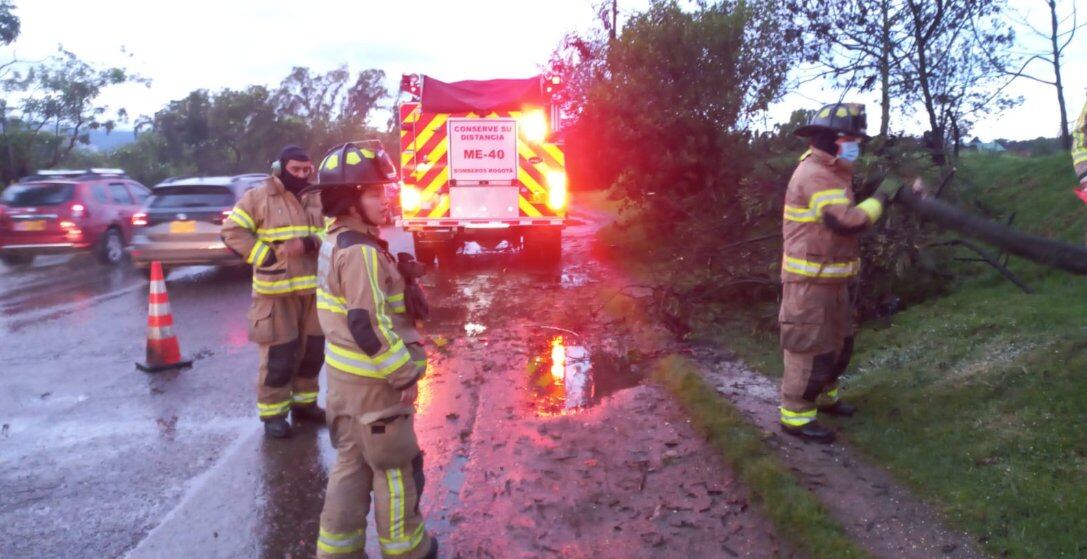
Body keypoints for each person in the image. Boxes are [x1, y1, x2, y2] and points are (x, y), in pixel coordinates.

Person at [309, 142, 436, 559]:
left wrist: (400, 275)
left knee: (351, 464)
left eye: (385, 191)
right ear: (349, 200)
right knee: (396, 470)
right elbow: (368, 325)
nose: (386, 200)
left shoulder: (338, 242)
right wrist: (405, 374)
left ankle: (338, 550)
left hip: (345, 386)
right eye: (375, 193)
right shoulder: (361, 253)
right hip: (376, 387)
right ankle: (408, 550)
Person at [778, 103, 908, 444]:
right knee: (810, 350)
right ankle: (795, 417)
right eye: (851, 138)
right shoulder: (815, 175)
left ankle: (824, 398)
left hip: (834, 281)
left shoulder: (834, 172)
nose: (856, 145)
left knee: (838, 346)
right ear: (834, 140)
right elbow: (844, 220)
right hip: (810, 285)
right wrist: (882, 197)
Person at [221, 145, 327, 439]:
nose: (303, 175)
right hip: (275, 294)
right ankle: (273, 416)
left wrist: (308, 243)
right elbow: (232, 232)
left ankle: (305, 406)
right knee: (279, 357)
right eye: (296, 170)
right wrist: (263, 256)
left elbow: (331, 230)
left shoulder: (317, 198)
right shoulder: (258, 198)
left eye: (307, 170)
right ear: (280, 169)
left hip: (313, 292)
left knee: (312, 354)